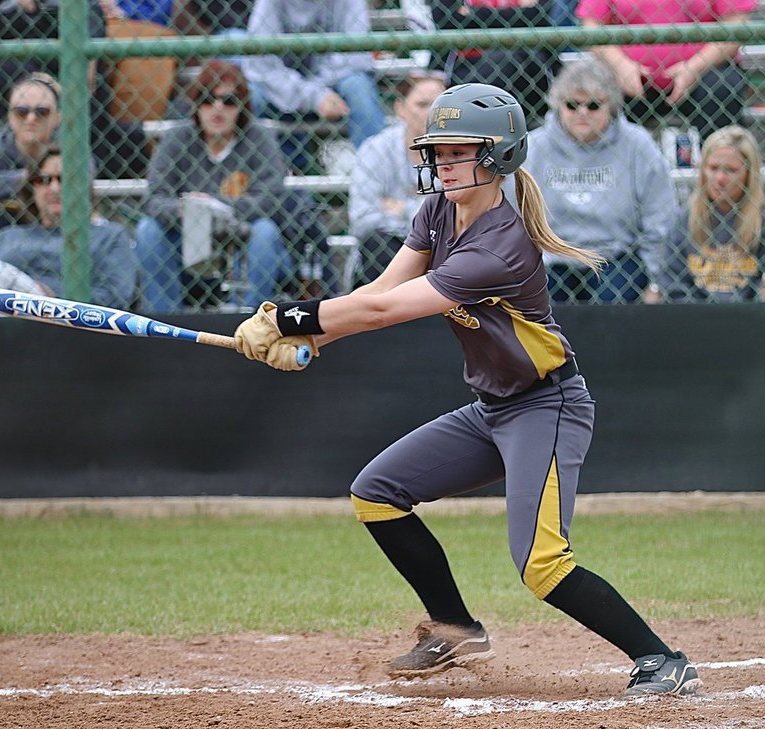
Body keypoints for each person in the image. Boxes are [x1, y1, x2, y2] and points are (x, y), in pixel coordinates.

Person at [230, 82, 703, 697]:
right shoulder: (437, 212)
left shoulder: (500, 245)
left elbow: (384, 312)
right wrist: (315, 339)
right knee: (377, 492)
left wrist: (288, 318)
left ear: (499, 155)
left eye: (460, 152)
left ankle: (662, 659)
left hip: (547, 407)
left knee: (541, 564)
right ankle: (455, 629)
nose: (444, 163)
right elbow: (376, 292)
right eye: (439, 151)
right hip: (493, 408)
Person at [134, 59, 292, 313]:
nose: (217, 108)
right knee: (148, 231)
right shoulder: (176, 138)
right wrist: (186, 209)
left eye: (228, 101)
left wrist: (215, 206)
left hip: (242, 232)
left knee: (265, 231)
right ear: (196, 104)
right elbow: (153, 199)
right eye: (208, 99)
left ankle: (249, 322)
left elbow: (272, 199)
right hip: (185, 233)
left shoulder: (260, 138)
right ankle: (164, 323)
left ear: (242, 106)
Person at [525, 59, 676, 303]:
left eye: (593, 105)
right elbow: (512, 214)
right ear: (558, 104)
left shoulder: (637, 145)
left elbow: (660, 217)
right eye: (572, 105)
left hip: (616, 257)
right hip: (551, 258)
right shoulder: (534, 147)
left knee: (610, 302)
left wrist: (656, 279)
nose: (582, 113)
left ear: (611, 106)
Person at [0, 0, 149, 179]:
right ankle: (29, 176)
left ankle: (43, 175)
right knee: (7, 69)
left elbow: (85, 80)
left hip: (65, 107)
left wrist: (48, 88)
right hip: (7, 111)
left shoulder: (82, 8)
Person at [0, 144, 138, 308]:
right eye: (43, 180)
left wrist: (53, 300)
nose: (54, 188)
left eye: (64, 179)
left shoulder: (108, 237)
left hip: (69, 320)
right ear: (32, 189)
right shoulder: (8, 237)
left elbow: (115, 297)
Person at [577, 0, 756, 141]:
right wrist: (621, 65)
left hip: (705, 73)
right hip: (629, 77)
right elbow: (591, 25)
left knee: (722, 88)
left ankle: (718, 168)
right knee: (597, 93)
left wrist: (695, 67)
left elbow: (737, 23)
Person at [243, 0, 386, 172]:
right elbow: (261, 66)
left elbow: (356, 58)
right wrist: (315, 96)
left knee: (358, 86)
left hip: (334, 85)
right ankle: (266, 175)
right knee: (253, 95)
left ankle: (378, 173)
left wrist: (319, 92)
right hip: (283, 90)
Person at [661, 125, 765, 302]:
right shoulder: (683, 220)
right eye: (713, 168)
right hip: (692, 315)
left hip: (752, 316)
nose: (720, 178)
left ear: (749, 174)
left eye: (731, 170)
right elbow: (674, 286)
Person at [348, 72, 445, 284]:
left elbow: (450, 222)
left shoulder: (460, 153)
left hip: (440, 248)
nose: (432, 113)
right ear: (401, 108)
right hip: (388, 249)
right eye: (422, 104)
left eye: (439, 106)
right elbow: (362, 220)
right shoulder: (375, 149)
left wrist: (403, 209)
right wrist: (420, 218)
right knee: (377, 242)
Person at [430, 0, 558, 123]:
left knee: (511, 58)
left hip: (526, 65)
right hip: (468, 66)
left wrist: (472, 13)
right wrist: (517, 12)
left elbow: (538, 15)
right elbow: (446, 19)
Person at [0, 73, 60, 244]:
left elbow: (87, 171)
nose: (31, 118)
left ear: (57, 118)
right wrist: (27, 178)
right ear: (10, 117)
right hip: (1, 240)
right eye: (21, 112)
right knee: (1, 210)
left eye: (42, 111)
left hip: (60, 234)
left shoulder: (68, 149)